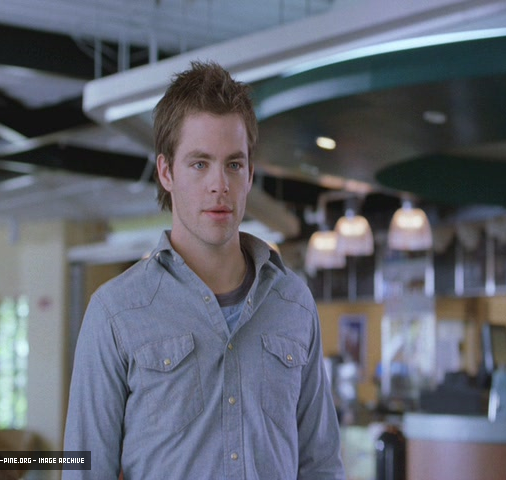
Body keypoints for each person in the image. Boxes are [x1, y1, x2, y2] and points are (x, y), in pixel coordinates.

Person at [63, 61, 345, 479]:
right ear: (166, 172)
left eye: (234, 164)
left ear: (249, 174)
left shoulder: (293, 302)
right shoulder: (115, 313)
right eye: (199, 164)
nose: (220, 185)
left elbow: (321, 465)